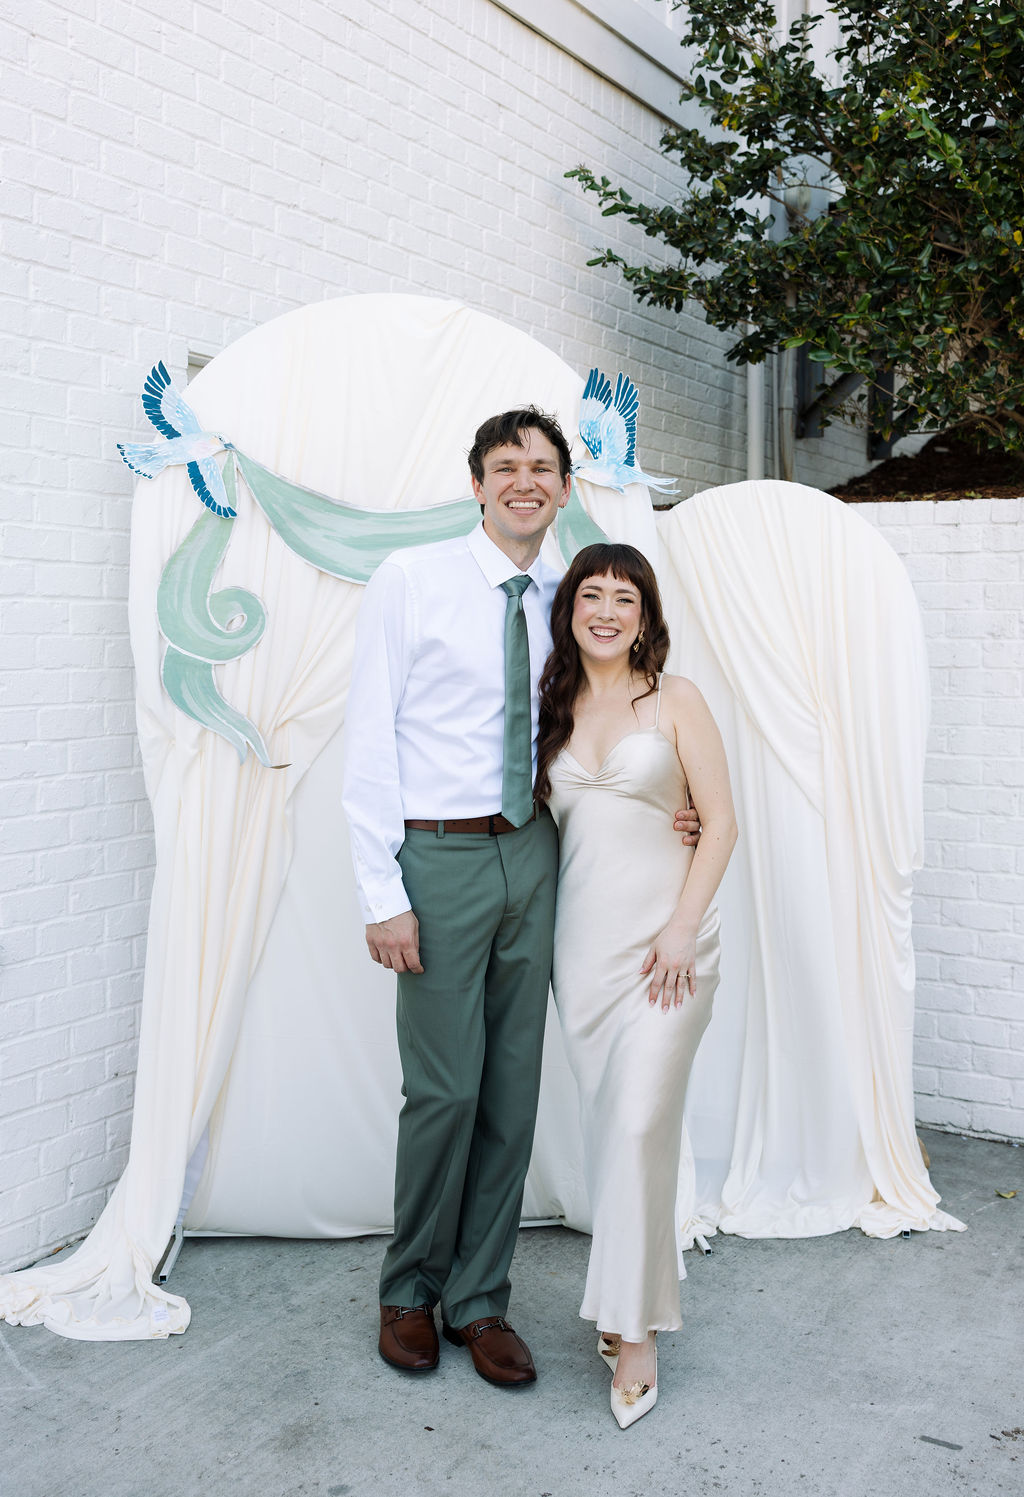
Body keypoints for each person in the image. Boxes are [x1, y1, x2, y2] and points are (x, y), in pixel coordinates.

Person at [342, 408, 699, 1389]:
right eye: (506, 466)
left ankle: (479, 1300)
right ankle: (409, 1290)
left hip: (539, 851)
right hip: (439, 857)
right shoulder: (410, 581)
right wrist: (381, 891)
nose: (525, 481)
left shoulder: (568, 597)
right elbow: (368, 739)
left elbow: (616, 716)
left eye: (543, 467)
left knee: (510, 1088)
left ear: (564, 488)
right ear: (477, 484)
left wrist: (673, 806)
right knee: (445, 1089)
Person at [535, 541, 737, 1428]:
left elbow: (720, 823)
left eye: (626, 597)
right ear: (571, 610)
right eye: (592, 595)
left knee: (640, 1123)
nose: (608, 611)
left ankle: (638, 1329)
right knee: (613, 1134)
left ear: (646, 615)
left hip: (670, 948)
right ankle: (622, 1304)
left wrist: (683, 926)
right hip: (582, 953)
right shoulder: (550, 704)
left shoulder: (676, 698)